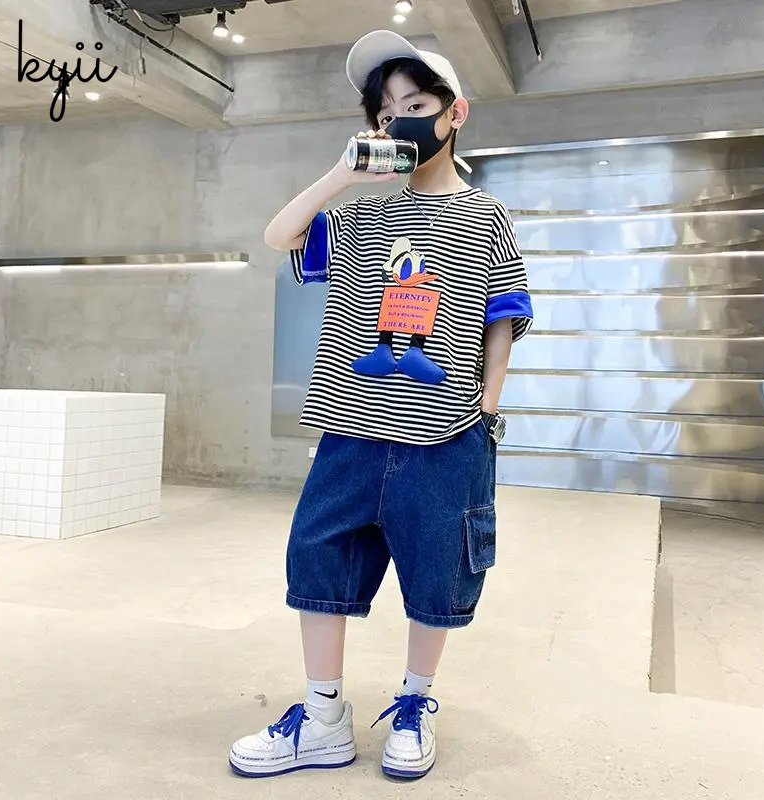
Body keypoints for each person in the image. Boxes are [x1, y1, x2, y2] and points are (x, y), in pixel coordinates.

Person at [229, 29, 533, 781]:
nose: (401, 121)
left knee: (437, 575)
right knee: (318, 560)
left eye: (417, 105)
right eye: (387, 111)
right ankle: (323, 718)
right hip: (350, 430)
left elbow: (503, 313)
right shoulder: (362, 217)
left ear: (456, 112)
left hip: (446, 434)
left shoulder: (488, 214)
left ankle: (415, 705)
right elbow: (278, 234)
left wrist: (488, 406)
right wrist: (342, 173)